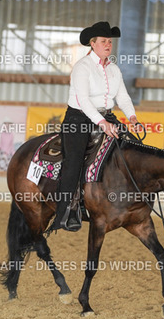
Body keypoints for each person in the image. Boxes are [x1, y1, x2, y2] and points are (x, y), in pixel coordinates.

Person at [52, 21, 142, 232]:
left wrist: (133, 118)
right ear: (93, 44)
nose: (108, 44)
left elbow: (123, 97)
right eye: (104, 41)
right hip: (79, 119)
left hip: (106, 116)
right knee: (74, 161)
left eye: (110, 41)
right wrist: (102, 123)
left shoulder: (114, 69)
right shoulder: (82, 67)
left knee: (130, 147)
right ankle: (66, 211)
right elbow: (83, 100)